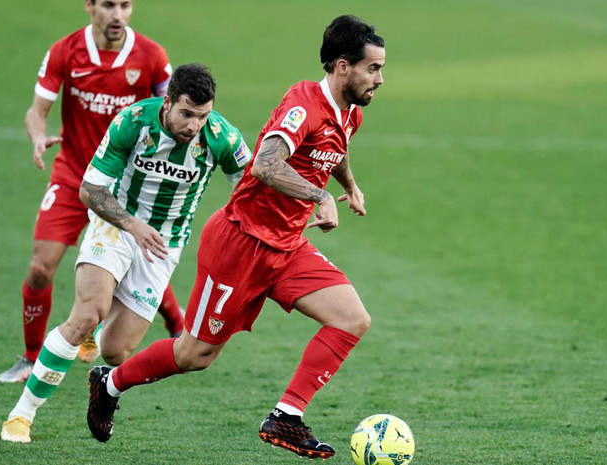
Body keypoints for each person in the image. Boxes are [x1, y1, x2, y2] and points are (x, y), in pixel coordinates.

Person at [86, 15, 386, 460]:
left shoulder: (350, 112)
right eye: (373, 68)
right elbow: (265, 164)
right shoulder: (303, 105)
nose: (380, 79)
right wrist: (319, 195)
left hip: (287, 246)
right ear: (343, 67)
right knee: (194, 355)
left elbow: (334, 146)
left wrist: (349, 186)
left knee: (352, 319)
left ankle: (286, 417)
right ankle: (109, 383)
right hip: (240, 243)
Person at [0, 63, 252, 443]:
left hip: (164, 246)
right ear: (167, 103)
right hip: (116, 225)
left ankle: (95, 336)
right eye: (186, 114)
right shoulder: (132, 122)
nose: (194, 125)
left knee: (117, 352)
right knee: (86, 315)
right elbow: (90, 190)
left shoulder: (221, 137)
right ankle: (22, 415)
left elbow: (252, 186)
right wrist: (133, 226)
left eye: (202, 116)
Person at [0, 0, 186, 384]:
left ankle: (177, 326)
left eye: (125, 5)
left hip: (128, 184)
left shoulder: (151, 56)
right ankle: (31, 357)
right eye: (108, 5)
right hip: (73, 176)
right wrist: (37, 137)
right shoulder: (65, 51)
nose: (117, 14)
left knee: (143, 257)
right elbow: (37, 111)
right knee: (40, 267)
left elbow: (175, 112)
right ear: (90, 6)